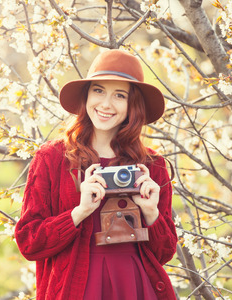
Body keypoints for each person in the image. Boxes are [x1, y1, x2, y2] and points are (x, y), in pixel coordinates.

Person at [14, 49, 177, 299]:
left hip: (134, 285)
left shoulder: (151, 165)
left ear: (133, 105)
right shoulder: (52, 158)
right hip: (75, 287)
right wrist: (79, 212)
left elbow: (164, 253)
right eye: (98, 90)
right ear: (86, 95)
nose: (105, 104)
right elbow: (28, 241)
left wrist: (151, 213)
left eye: (119, 95)